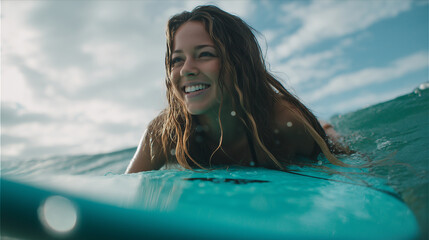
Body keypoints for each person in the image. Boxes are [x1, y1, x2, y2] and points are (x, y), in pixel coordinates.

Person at [126, 5, 351, 174]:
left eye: (205, 54)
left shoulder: (285, 122)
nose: (186, 69)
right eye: (177, 60)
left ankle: (327, 126)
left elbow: (346, 164)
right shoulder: (164, 133)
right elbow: (125, 192)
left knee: (331, 136)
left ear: (240, 63)